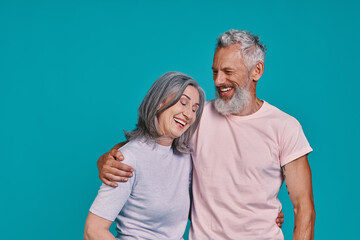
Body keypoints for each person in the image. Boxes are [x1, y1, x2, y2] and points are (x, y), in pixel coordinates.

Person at [98, 30, 313, 239]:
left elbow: (303, 209)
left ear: (256, 71)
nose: (218, 81)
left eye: (228, 72)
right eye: (215, 71)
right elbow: (148, 145)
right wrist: (109, 158)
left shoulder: (285, 127)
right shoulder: (196, 118)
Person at [84, 71, 205, 240]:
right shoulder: (127, 159)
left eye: (194, 109)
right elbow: (93, 231)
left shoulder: (185, 158)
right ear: (158, 102)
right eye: (183, 102)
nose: (189, 114)